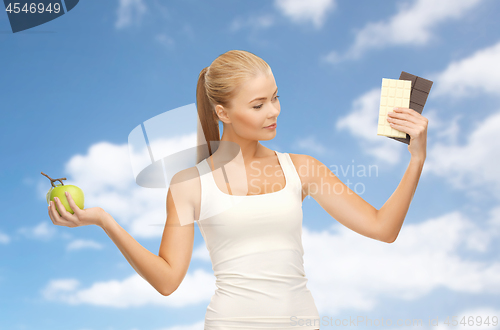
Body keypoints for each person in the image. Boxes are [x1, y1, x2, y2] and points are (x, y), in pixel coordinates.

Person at [47, 49, 428, 330]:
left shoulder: (302, 168)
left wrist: (415, 160)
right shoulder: (189, 185)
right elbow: (167, 281)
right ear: (223, 113)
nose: (274, 111)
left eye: (276, 97)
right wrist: (104, 222)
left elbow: (383, 229)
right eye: (259, 104)